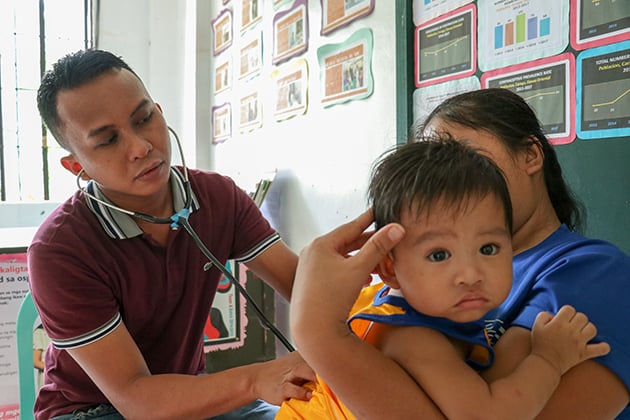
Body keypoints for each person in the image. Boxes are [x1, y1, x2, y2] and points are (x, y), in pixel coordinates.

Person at [289, 88, 630, 419]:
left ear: (530, 155)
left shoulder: (593, 274)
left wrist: (321, 336)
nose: (447, 187)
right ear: (390, 268)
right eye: (432, 172)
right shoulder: (415, 285)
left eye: (468, 159)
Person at [28, 48, 314, 420]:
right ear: (75, 165)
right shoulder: (59, 250)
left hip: (184, 395)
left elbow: (303, 287)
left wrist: (357, 278)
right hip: (95, 410)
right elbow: (136, 398)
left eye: (144, 118)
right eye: (108, 140)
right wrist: (256, 379)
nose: (141, 147)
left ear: (160, 113)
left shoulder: (218, 198)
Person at [33, 324, 52, 391]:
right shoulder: (39, 333)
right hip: (48, 379)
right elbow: (35, 362)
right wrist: (55, 370)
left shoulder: (62, 331)